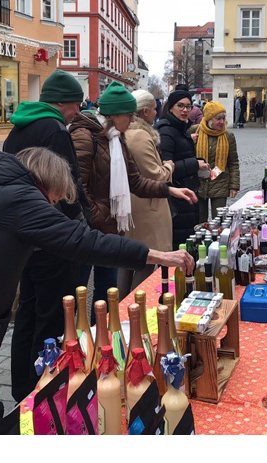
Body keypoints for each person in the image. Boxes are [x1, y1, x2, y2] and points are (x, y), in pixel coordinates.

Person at [0, 148, 194, 435]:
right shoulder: (20, 198)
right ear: (49, 185)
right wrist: (156, 255)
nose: (53, 206)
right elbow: (83, 241)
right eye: (55, 200)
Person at [2, 70, 91, 402]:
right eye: (75, 105)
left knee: (27, 310)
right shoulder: (54, 129)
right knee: (52, 315)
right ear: (60, 103)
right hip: (52, 237)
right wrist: (78, 229)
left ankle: (21, 386)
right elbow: (68, 185)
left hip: (23, 235)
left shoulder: (18, 127)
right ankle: (44, 387)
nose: (77, 113)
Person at [71, 83, 198, 309]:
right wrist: (98, 216)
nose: (132, 121)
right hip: (91, 229)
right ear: (114, 114)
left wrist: (170, 190)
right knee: (80, 292)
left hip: (110, 228)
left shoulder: (117, 138)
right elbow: (77, 187)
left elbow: (135, 181)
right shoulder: (85, 136)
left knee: (108, 292)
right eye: (129, 116)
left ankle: (109, 334)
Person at [119, 90, 175, 297]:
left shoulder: (130, 132)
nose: (156, 112)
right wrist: (169, 167)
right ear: (144, 111)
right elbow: (155, 174)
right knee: (146, 260)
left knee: (129, 260)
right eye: (153, 108)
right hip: (147, 207)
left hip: (137, 204)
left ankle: (124, 307)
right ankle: (135, 309)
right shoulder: (140, 136)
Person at [157, 89, 209, 248]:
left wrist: (196, 162)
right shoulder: (166, 131)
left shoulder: (181, 128)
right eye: (180, 106)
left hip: (186, 194)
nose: (185, 110)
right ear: (171, 107)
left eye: (189, 106)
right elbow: (166, 169)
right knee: (178, 245)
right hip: (176, 197)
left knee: (187, 243)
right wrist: (194, 164)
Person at [193, 101, 240, 221]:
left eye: (223, 118)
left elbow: (233, 162)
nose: (222, 122)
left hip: (220, 183)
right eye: (218, 118)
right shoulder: (195, 132)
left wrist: (234, 186)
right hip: (198, 184)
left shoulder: (228, 136)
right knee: (199, 221)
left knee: (219, 221)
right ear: (209, 119)